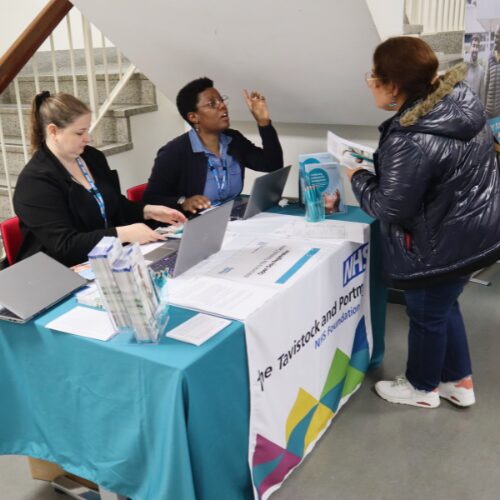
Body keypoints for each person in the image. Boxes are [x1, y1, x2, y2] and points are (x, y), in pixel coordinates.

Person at [345, 37, 500, 409]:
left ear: (393, 85)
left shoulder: (409, 138)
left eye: (373, 75)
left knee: (427, 314)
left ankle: (422, 387)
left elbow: (390, 207)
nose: (370, 82)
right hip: (474, 232)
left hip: (438, 243)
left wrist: (357, 176)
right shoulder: (460, 103)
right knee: (445, 305)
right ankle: (458, 381)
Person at [14, 92, 186, 267]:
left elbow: (114, 204)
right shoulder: (34, 182)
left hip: (107, 259)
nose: (88, 138)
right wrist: (122, 234)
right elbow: (65, 246)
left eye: (87, 130)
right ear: (53, 131)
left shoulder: (92, 157)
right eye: (80, 132)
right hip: (59, 274)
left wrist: (148, 211)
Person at [143, 77, 284, 215]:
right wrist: (183, 202)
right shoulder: (174, 152)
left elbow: (272, 165)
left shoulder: (234, 139)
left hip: (233, 220)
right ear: (193, 117)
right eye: (212, 104)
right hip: (195, 225)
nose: (222, 106)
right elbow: (150, 199)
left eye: (221, 100)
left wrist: (263, 122)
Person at [485, 25, 500, 119]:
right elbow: (485, 84)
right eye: (494, 36)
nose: (495, 39)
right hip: (488, 111)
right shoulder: (490, 57)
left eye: (498, 37)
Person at [465, 34, 485, 103]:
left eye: (477, 46)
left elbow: (482, 96)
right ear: (470, 47)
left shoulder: (481, 71)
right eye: (473, 46)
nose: (475, 49)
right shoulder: (463, 68)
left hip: (475, 111)